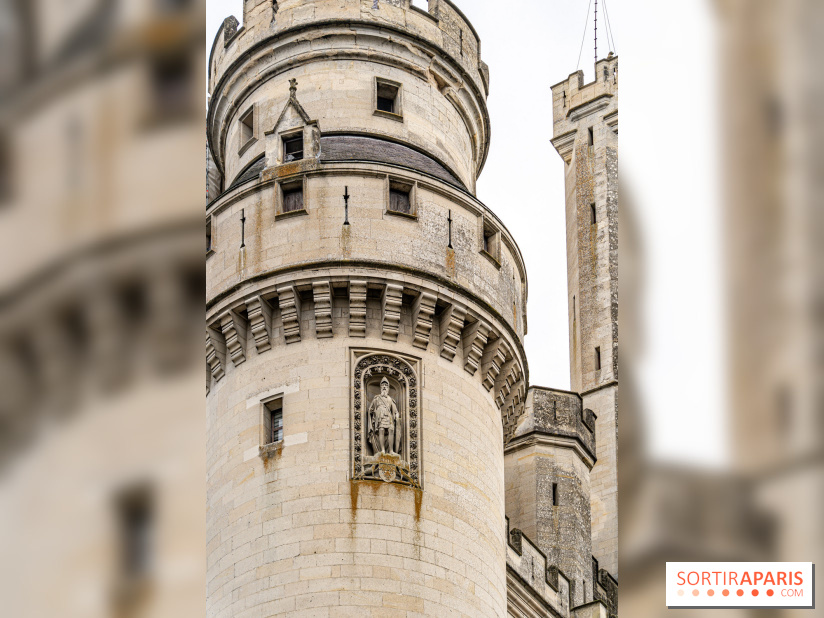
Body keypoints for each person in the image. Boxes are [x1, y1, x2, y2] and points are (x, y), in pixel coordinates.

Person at [368, 377, 400, 455]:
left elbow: (395, 411)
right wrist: (374, 412)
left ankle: (391, 450)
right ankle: (382, 450)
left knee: (391, 430)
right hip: (380, 417)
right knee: (381, 430)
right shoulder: (377, 398)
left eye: (386, 385)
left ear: (388, 388)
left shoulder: (390, 399)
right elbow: (371, 409)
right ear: (380, 388)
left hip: (389, 416)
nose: (384, 387)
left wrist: (397, 416)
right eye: (383, 385)